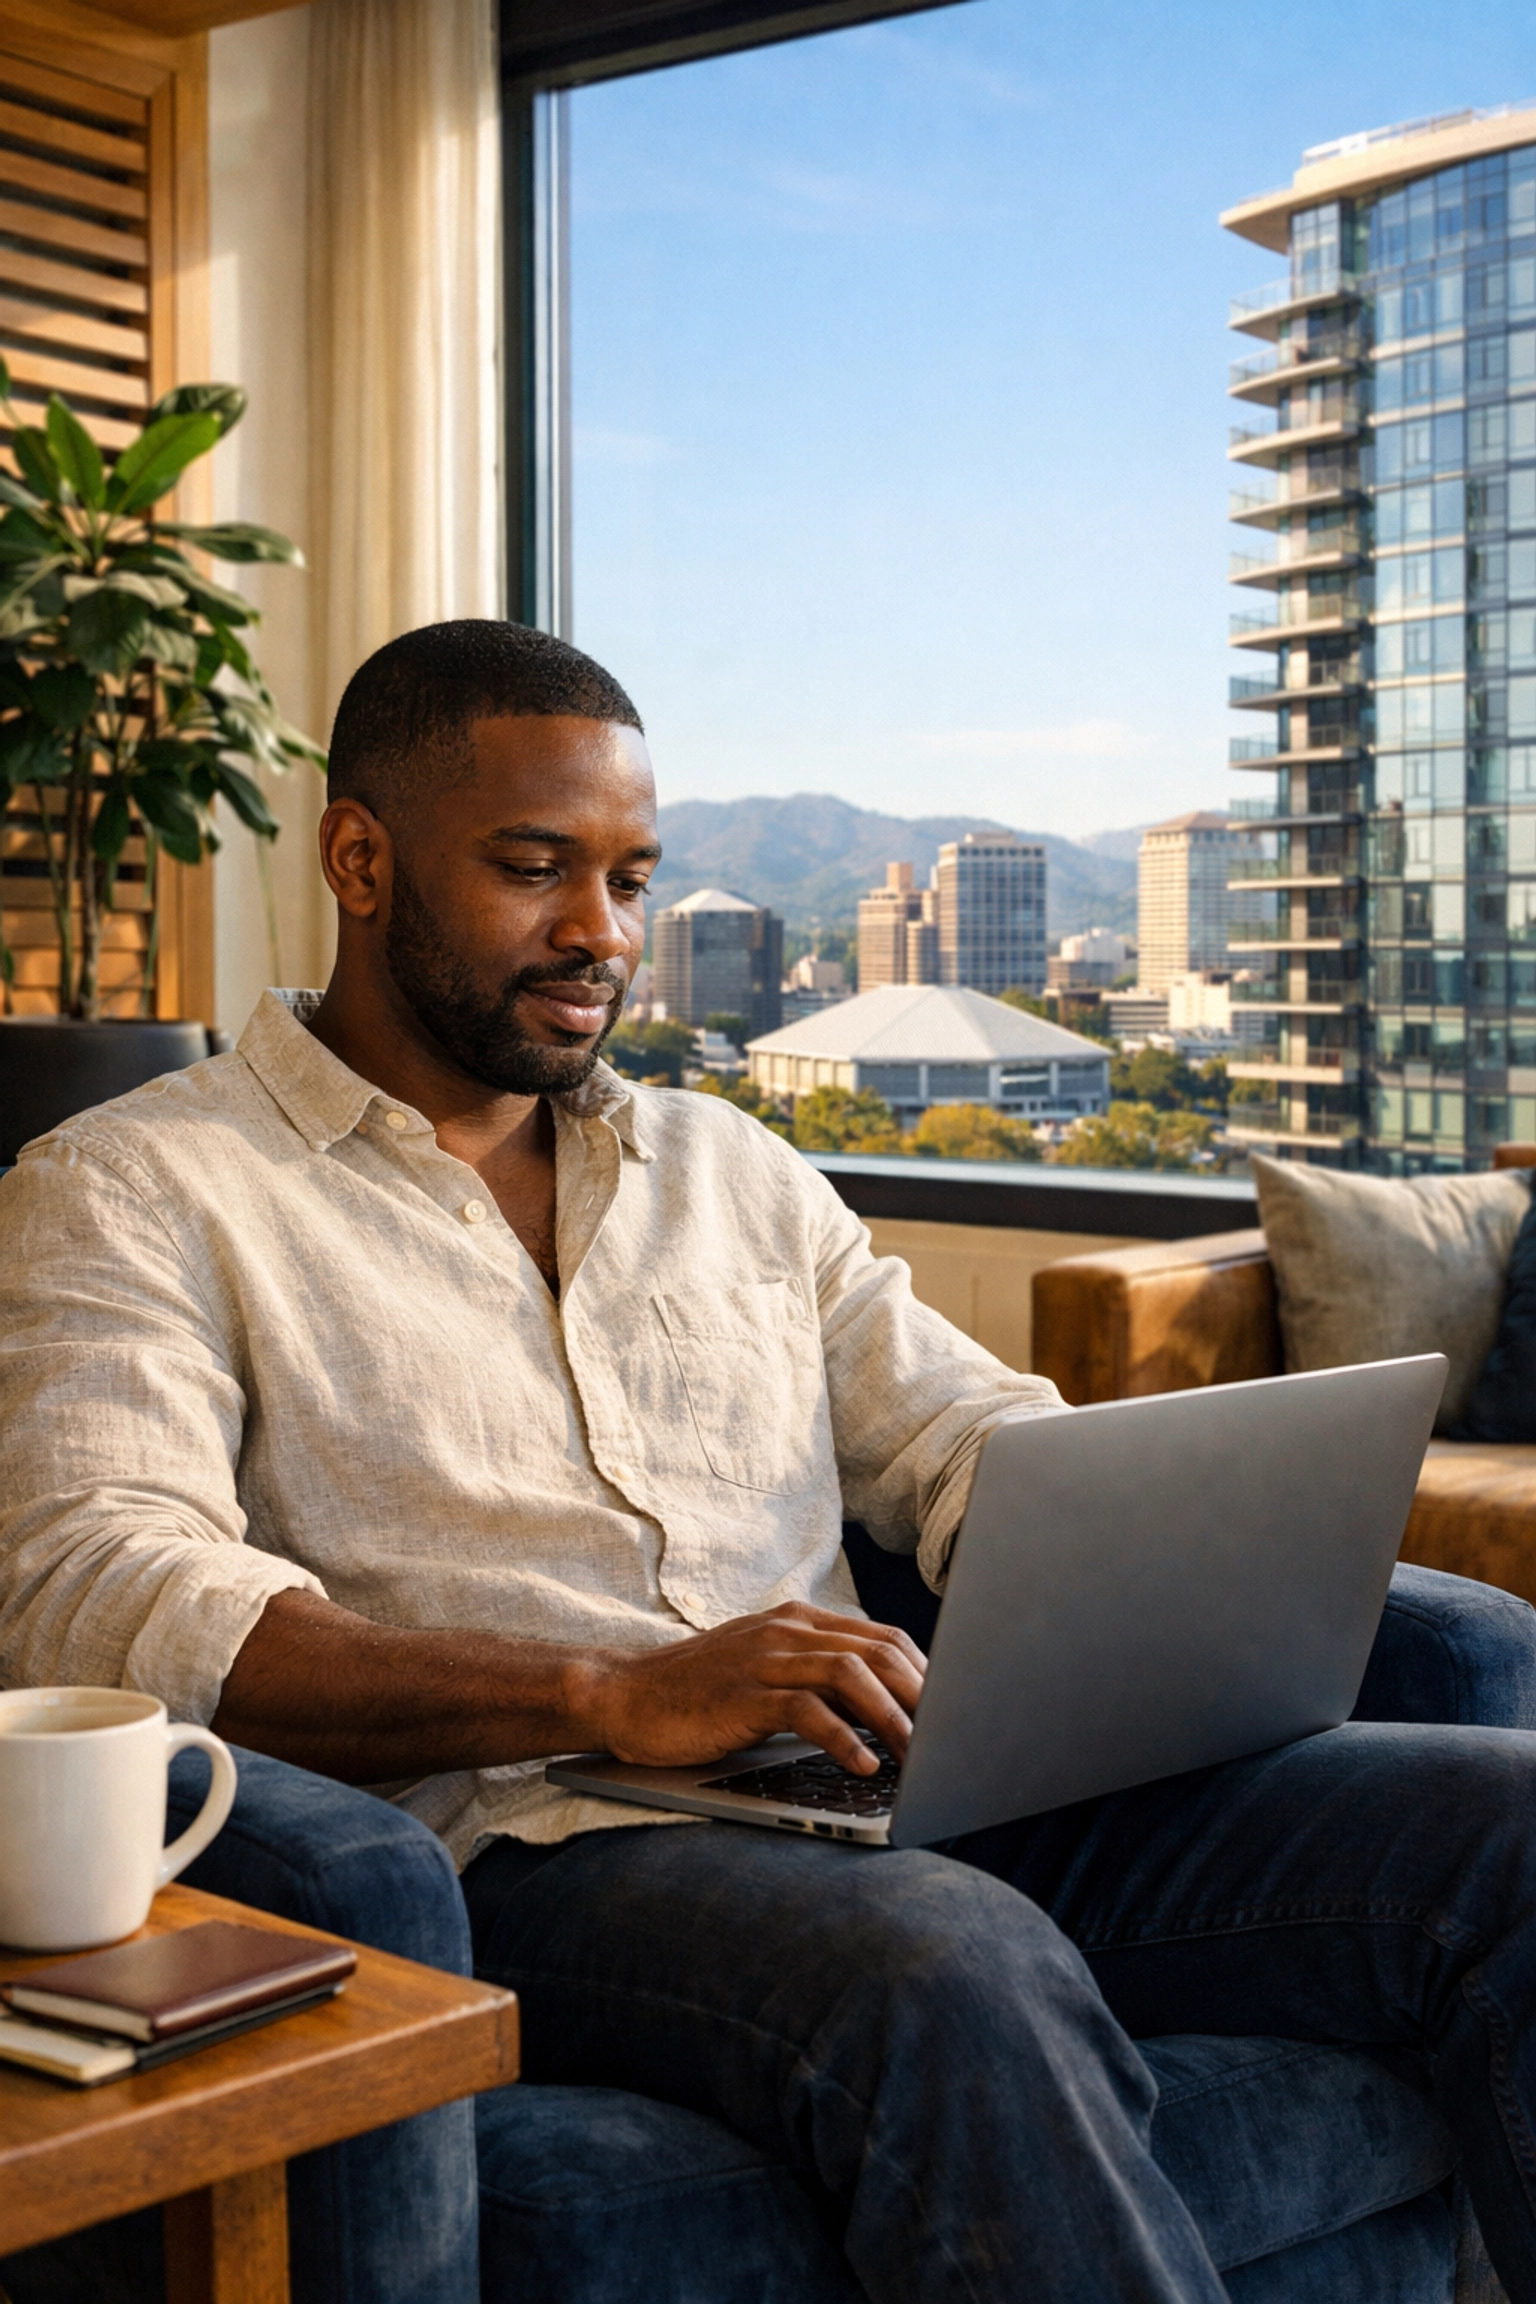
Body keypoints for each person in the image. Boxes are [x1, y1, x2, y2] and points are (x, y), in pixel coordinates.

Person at [4, 619, 1536, 2303]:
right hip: (540, 1850)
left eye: (633, 878)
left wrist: (1133, 1551)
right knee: (950, 1964)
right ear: (359, 859)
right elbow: (106, 1594)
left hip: (884, 1782)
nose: (602, 934)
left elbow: (956, 1435)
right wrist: (605, 1691)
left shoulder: (728, 1165)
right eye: (535, 869)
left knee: (1507, 1827)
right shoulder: (136, 1188)